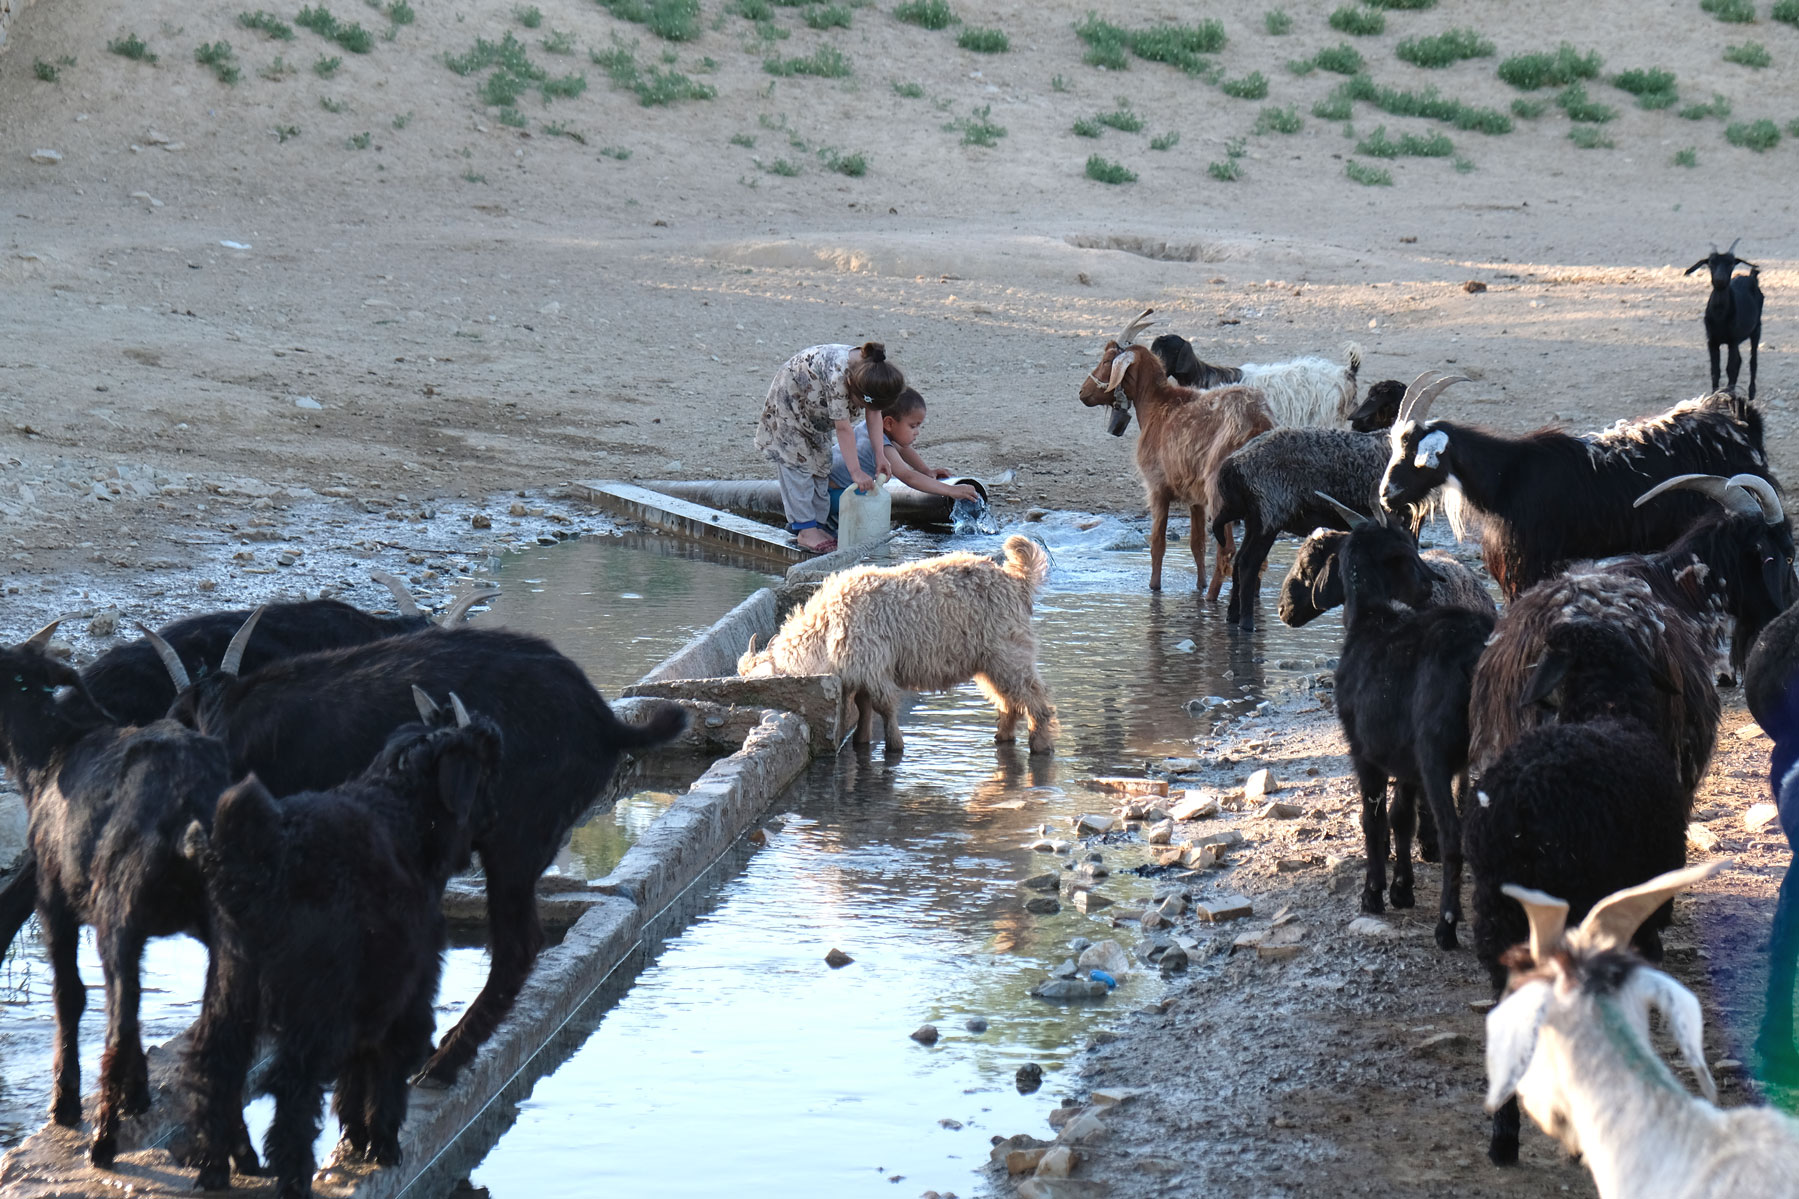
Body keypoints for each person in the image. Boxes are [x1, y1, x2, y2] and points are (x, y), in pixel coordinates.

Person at [756, 341, 905, 553]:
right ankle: (805, 530)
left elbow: (874, 415)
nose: (864, 410)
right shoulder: (839, 378)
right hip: (790, 407)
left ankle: (816, 525)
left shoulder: (872, 374)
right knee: (798, 468)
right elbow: (844, 429)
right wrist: (856, 472)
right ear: (854, 392)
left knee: (820, 466)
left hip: (815, 416)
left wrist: (881, 456)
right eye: (861, 406)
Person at [828, 388, 980, 525]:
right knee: (872, 502)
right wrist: (950, 490)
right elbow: (908, 476)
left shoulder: (872, 428)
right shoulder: (881, 447)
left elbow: (903, 448)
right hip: (830, 497)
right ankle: (832, 526)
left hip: (822, 488)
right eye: (913, 426)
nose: (917, 432)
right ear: (889, 423)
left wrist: (926, 470)